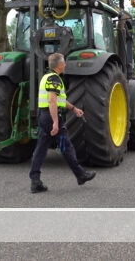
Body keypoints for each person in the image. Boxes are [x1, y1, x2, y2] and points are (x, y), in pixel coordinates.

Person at [29, 53, 96, 193]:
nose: (65, 65)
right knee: (66, 146)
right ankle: (81, 175)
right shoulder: (55, 79)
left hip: (43, 116)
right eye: (64, 62)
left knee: (41, 149)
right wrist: (55, 122)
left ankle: (35, 181)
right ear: (59, 65)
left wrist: (74, 108)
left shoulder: (46, 77)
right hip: (50, 116)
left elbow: (59, 100)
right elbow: (52, 100)